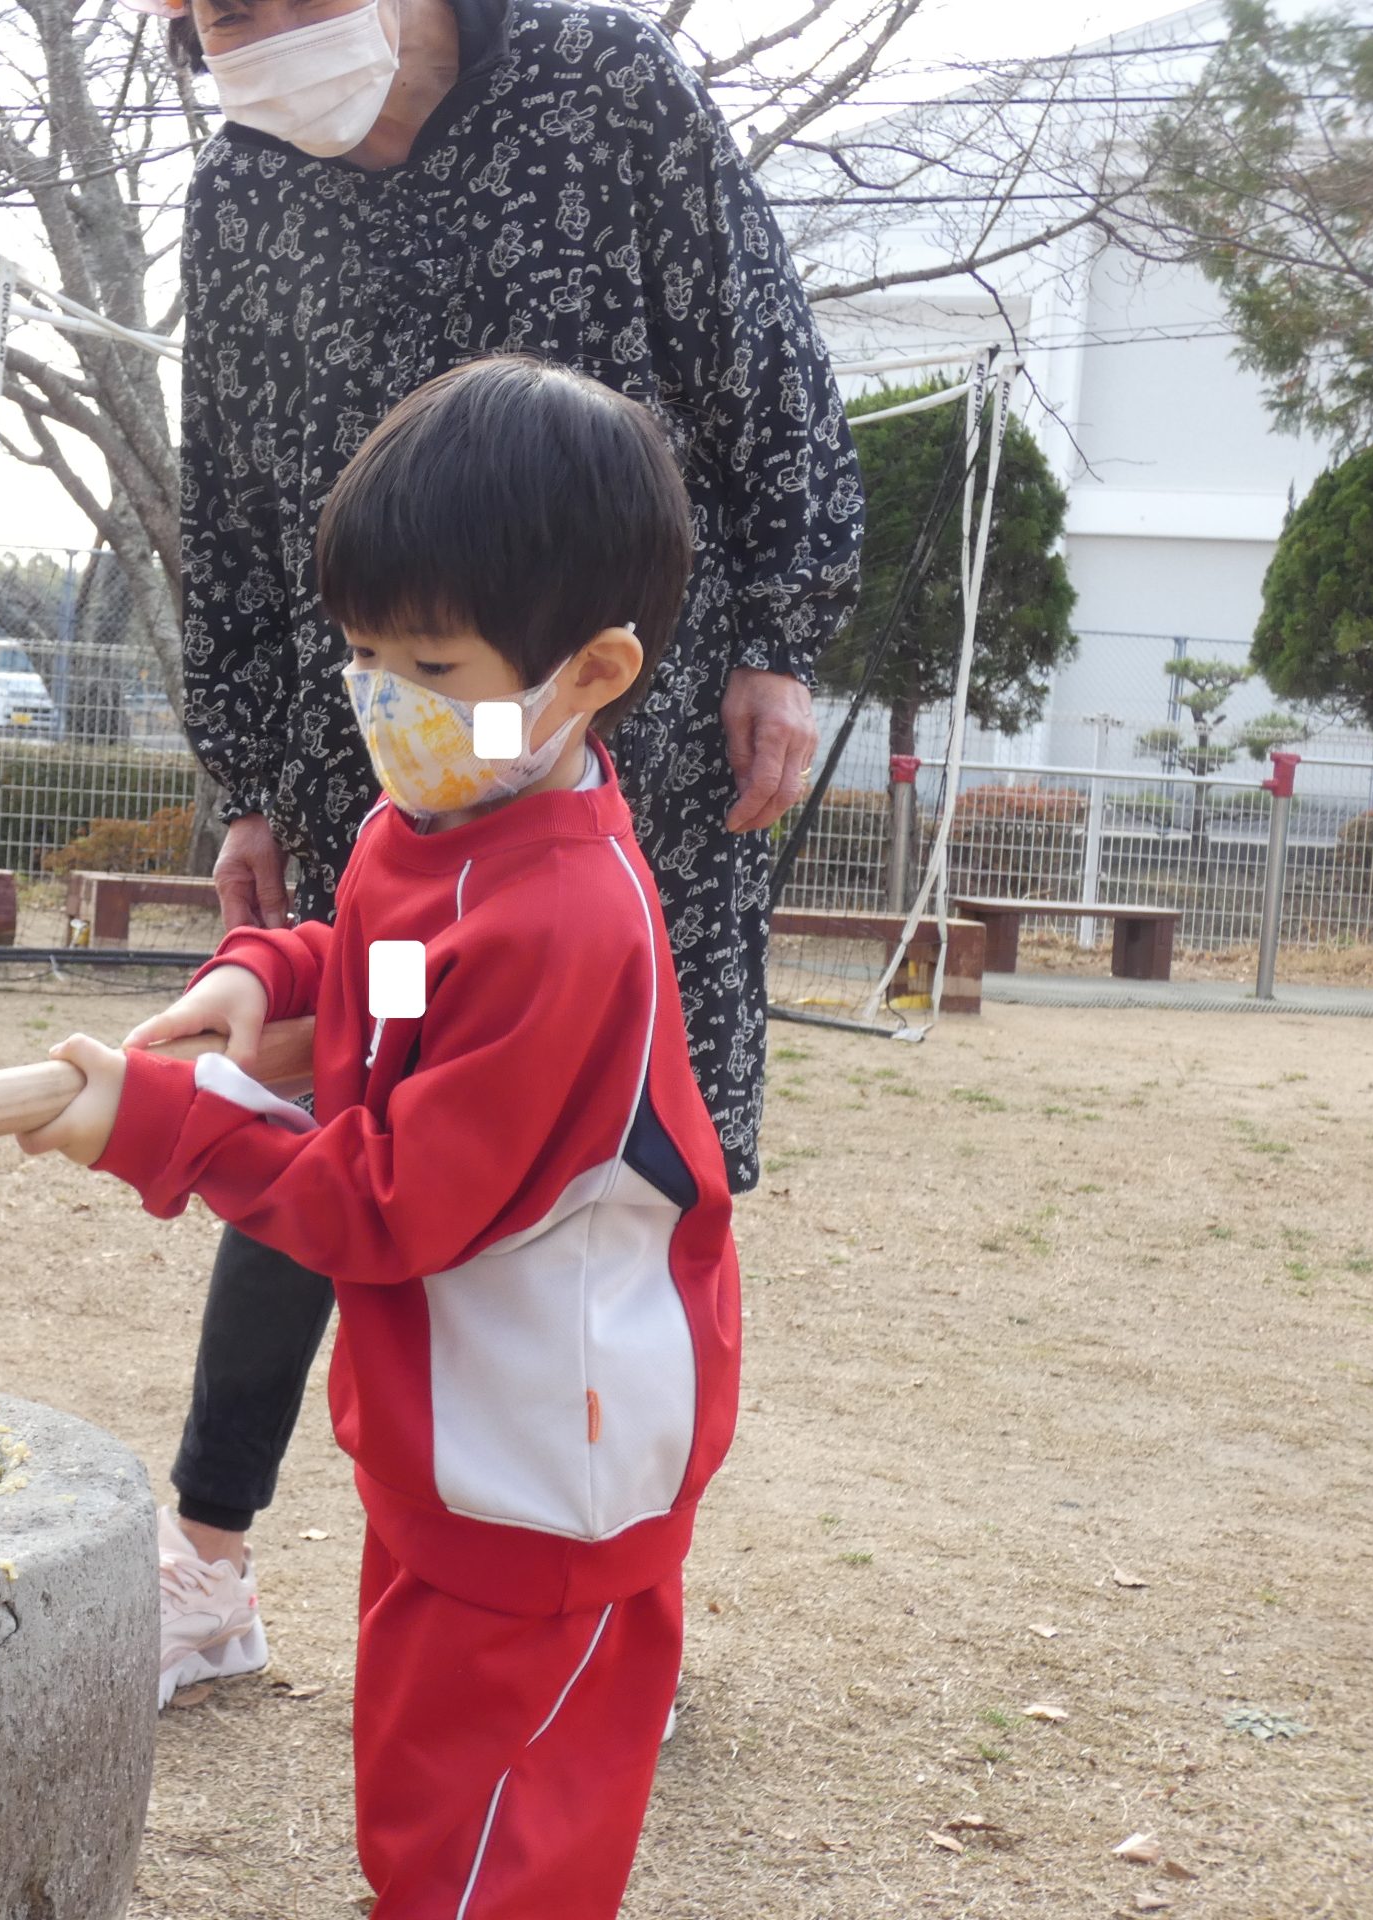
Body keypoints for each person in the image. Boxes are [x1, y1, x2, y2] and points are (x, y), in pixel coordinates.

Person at [136, 0, 862, 1690]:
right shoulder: (242, 187)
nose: (236, 43)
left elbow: (761, 356)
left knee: (610, 1172)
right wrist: (252, 771)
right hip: (378, 753)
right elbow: (231, 498)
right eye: (202, 22)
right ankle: (210, 1564)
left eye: (259, 5)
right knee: (344, 1104)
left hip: (626, 745)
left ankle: (599, 1588)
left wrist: (780, 641)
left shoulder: (600, 87)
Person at [23, 356, 738, 1915]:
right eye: (361, 651)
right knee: (427, 1792)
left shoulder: (564, 921)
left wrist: (168, 1129)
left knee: (496, 1833)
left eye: (427, 658)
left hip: (555, 1460)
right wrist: (254, 976)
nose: (380, 698)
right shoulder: (433, 826)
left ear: (593, 673)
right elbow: (377, 973)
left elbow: (393, 1202)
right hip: (452, 1437)